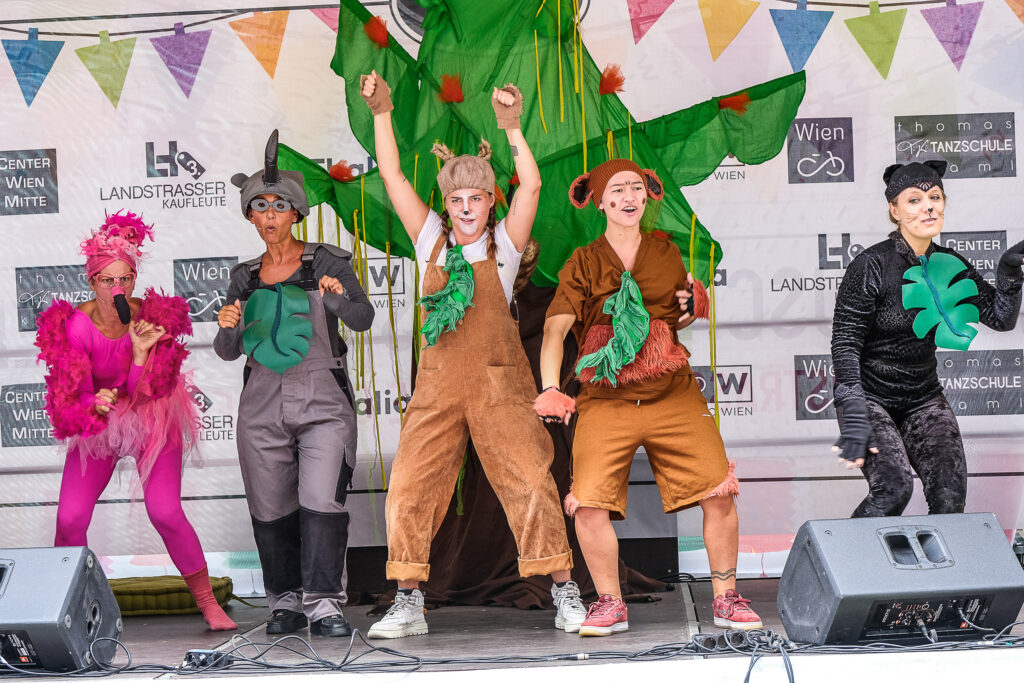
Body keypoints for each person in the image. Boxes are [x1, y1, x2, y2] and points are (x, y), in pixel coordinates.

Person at [358, 71, 585, 638]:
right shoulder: (428, 237)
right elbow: (389, 173)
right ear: (446, 201)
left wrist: (511, 127)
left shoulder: (504, 245)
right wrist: (382, 111)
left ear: (489, 201)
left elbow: (531, 186)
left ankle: (564, 590)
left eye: (476, 198)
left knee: (533, 483)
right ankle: (408, 601)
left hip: (500, 385)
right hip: (437, 387)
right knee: (410, 487)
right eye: (456, 198)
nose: (465, 207)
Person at [535, 159, 762, 635]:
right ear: (600, 201)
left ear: (647, 196)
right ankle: (609, 603)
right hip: (606, 397)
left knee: (719, 490)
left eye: (636, 188)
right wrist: (552, 387)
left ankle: (726, 597)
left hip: (671, 394)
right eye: (617, 189)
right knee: (589, 502)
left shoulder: (667, 252)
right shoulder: (582, 262)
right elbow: (556, 330)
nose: (628, 196)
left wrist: (689, 305)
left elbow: (674, 316)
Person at [35, 211, 236, 632]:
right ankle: (64, 610)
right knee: (70, 518)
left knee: (164, 510)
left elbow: (147, 391)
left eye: (125, 279)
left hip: (152, 414)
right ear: (91, 283)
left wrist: (140, 354)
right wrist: (97, 402)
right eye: (107, 280)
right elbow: (75, 393)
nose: (118, 288)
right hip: (101, 422)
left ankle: (207, 603)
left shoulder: (151, 317)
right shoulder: (77, 325)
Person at [214, 131, 374, 637]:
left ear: (296, 212)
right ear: (250, 216)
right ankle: (284, 602)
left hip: (322, 399)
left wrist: (332, 300)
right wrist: (226, 326)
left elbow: (364, 317)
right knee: (270, 507)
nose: (268, 216)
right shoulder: (243, 276)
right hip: (261, 403)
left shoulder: (326, 260)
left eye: (278, 206)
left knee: (322, 503)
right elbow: (227, 351)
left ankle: (324, 603)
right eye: (258, 207)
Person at [831, 161, 1024, 517]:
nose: (928, 206)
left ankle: (938, 573)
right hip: (871, 398)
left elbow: (999, 318)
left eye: (935, 197)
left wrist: (1009, 274)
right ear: (895, 210)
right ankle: (855, 568)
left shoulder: (950, 263)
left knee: (950, 499)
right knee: (893, 490)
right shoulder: (871, 265)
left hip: (923, 398)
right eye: (914, 200)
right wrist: (854, 409)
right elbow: (845, 343)